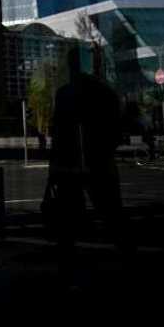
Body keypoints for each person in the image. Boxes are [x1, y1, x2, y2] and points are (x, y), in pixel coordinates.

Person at [45, 44, 134, 283]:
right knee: (111, 216)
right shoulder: (104, 92)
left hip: (71, 167)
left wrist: (53, 173)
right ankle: (128, 263)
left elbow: (58, 136)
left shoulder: (65, 93)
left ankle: (68, 274)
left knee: (68, 227)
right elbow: (116, 130)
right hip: (97, 164)